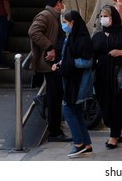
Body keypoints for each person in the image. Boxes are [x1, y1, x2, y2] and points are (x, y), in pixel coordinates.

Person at [92, 5, 122, 148]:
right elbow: (92, 55)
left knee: (117, 102)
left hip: (120, 73)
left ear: (114, 17)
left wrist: (120, 52)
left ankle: (113, 134)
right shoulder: (97, 36)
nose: (103, 19)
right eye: (101, 16)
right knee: (106, 103)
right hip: (103, 75)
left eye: (106, 16)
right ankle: (116, 133)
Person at [28, 0, 72, 142]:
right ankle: (54, 132)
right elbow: (33, 32)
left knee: (57, 93)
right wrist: (49, 47)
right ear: (57, 3)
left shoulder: (52, 16)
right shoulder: (45, 15)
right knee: (55, 95)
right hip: (49, 63)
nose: (63, 5)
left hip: (56, 62)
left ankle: (43, 99)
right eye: (62, 2)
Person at [54, 10, 93, 157]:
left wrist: (68, 63)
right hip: (71, 81)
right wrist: (60, 64)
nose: (63, 25)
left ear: (73, 23)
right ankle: (86, 144)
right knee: (75, 111)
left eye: (66, 22)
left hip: (78, 83)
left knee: (68, 111)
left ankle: (78, 144)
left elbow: (87, 62)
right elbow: (67, 59)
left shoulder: (83, 39)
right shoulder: (71, 38)